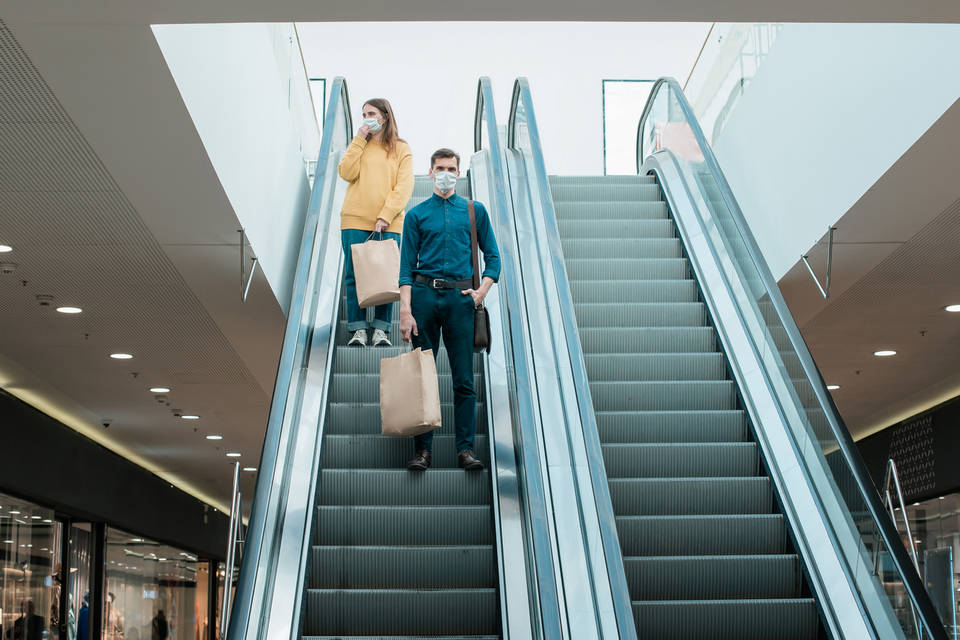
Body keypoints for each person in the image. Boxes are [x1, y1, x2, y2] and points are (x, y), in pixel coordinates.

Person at [399, 148, 500, 471]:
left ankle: (465, 450)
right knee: (422, 377)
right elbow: (404, 269)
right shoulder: (416, 215)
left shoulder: (474, 211)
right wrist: (405, 310)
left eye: (452, 168)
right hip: (424, 297)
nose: (446, 173)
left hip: (461, 300)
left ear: (459, 173)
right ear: (430, 173)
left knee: (463, 380)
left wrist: (480, 292)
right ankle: (423, 451)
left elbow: (494, 258)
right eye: (441, 168)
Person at [337, 97, 414, 348]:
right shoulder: (361, 145)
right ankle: (358, 329)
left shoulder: (401, 149)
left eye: (371, 113)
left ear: (385, 116)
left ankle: (380, 329)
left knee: (386, 275)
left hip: (388, 222)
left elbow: (404, 186)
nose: (367, 118)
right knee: (354, 274)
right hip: (354, 218)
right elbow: (346, 172)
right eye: (363, 114)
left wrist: (386, 214)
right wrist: (358, 139)